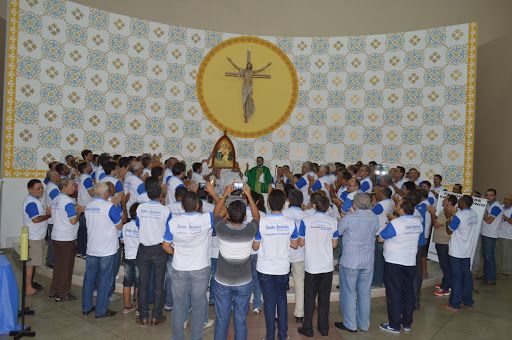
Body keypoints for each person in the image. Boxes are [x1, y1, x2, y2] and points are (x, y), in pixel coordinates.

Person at [162, 185, 217, 340]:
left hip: (179, 267)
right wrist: (217, 193)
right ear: (199, 206)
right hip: (200, 268)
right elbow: (223, 211)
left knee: (178, 306)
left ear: (182, 206)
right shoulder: (205, 218)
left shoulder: (173, 222)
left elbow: (165, 246)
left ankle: (177, 337)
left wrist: (176, 252)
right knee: (199, 305)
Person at [212, 183, 259, 340]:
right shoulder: (250, 230)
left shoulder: (221, 229)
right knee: (240, 320)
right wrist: (249, 195)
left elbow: (216, 212)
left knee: (222, 321)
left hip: (222, 283)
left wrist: (224, 194)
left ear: (228, 216)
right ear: (245, 217)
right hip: (244, 283)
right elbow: (257, 216)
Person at [254, 189, 299, 340]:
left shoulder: (262, 222)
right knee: (281, 300)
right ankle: (283, 335)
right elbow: (295, 244)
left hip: (265, 268)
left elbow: (255, 246)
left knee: (268, 302)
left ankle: (269, 337)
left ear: (268, 203)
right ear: (284, 204)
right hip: (282, 268)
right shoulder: (290, 223)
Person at [335, 193, 379, 333]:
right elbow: (375, 230)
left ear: (355, 204)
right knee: (365, 293)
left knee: (349, 292)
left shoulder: (350, 218)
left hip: (350, 260)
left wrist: (342, 218)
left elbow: (338, 231)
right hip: (367, 261)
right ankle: (364, 324)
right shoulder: (374, 217)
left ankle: (350, 324)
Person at [378, 199, 422, 335]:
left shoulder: (396, 223)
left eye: (398, 205)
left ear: (402, 210)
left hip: (394, 262)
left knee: (394, 293)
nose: (396, 206)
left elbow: (380, 238)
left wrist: (391, 223)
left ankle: (394, 325)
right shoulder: (417, 222)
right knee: (408, 293)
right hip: (410, 262)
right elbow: (420, 240)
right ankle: (407, 322)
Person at [298, 194, 339, 337]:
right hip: (327, 266)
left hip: (312, 266)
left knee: (309, 298)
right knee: (324, 298)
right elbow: (334, 244)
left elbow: (301, 243)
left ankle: (307, 328)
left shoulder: (306, 221)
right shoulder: (333, 221)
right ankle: (324, 328)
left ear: (314, 205)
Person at [82, 182, 123, 318]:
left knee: (89, 278)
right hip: (107, 249)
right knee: (105, 280)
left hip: (92, 248)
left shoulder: (89, 206)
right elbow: (119, 225)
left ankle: (86, 307)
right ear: (105, 193)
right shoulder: (109, 207)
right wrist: (117, 206)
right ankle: (101, 310)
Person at [135, 177, 170, 326]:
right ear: (161, 195)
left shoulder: (140, 208)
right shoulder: (165, 210)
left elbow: (138, 224)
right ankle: (156, 315)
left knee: (142, 283)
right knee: (158, 283)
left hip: (143, 249)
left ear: (148, 195)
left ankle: (143, 316)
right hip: (159, 249)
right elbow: (169, 231)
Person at [441, 195, 478, 312]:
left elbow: (449, 231)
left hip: (457, 251)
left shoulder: (459, 216)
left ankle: (454, 304)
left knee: (456, 277)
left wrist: (448, 218)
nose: (458, 203)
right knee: (467, 276)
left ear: (463, 203)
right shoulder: (473, 214)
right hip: (467, 251)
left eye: (460, 201)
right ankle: (468, 301)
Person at [49, 178, 83, 302]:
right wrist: (78, 212)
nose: (74, 188)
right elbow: (73, 220)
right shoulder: (68, 202)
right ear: (64, 187)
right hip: (66, 238)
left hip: (57, 236)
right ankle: (63, 293)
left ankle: (55, 290)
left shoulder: (56, 199)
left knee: (58, 265)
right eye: (72, 186)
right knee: (66, 267)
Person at [282, 189, 308, 323]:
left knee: (280, 285)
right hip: (300, 254)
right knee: (299, 283)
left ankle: (278, 313)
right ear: (302, 201)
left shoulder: (284, 214)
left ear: (289, 200)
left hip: (284, 253)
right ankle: (299, 313)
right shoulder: (306, 216)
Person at [23, 179, 51, 294]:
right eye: (37, 188)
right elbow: (35, 219)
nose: (40, 190)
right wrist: (48, 215)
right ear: (30, 189)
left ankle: (30, 283)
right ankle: (28, 287)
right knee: (31, 263)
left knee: (33, 262)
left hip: (37, 236)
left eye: (41, 188)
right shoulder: (31, 203)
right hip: (33, 237)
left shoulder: (36, 200)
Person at [432, 194, 457, 296]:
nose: (443, 200)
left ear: (449, 202)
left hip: (443, 242)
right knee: (446, 265)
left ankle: (445, 288)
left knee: (445, 266)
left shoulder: (448, 211)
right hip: (444, 242)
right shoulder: (447, 210)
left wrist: (432, 213)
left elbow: (436, 225)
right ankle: (447, 283)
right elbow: (440, 222)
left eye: (445, 199)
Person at [371, 187, 394, 287]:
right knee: (383, 258)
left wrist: (373, 203)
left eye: (378, 192)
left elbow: (370, 214)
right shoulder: (391, 202)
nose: (376, 194)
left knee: (378, 259)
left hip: (379, 233)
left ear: (383, 193)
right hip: (386, 232)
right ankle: (383, 279)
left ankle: (377, 280)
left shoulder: (381, 204)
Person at [480, 189, 503, 285]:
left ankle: (491, 278)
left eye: (490, 195)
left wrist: (483, 213)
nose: (488, 197)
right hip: (485, 233)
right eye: (487, 195)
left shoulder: (496, 206)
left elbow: (489, 220)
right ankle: (486, 275)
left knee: (489, 257)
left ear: (495, 196)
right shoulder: (488, 205)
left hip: (491, 235)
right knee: (486, 256)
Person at [121, 203, 140, 314]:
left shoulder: (125, 226)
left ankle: (127, 306)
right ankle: (138, 307)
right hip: (139, 258)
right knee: (139, 283)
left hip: (128, 257)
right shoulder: (141, 227)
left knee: (127, 282)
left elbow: (122, 241)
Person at [76, 162, 94, 258]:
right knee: (86, 232)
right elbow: (91, 193)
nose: (91, 167)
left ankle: (79, 251)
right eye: (89, 166)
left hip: (82, 207)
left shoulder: (81, 177)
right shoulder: (87, 178)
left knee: (82, 231)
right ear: (85, 168)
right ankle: (84, 253)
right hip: (86, 208)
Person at [44, 169, 60, 268]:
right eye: (58, 175)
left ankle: (52, 260)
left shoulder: (52, 186)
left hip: (54, 218)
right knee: (53, 241)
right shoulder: (53, 188)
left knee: (54, 240)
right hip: (54, 219)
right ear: (53, 177)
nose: (60, 177)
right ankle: (50, 261)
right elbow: (59, 201)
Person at [497, 194, 512, 276]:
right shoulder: (501, 207)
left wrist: (505, 217)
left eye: (508, 199)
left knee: (507, 254)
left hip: (508, 235)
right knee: (498, 253)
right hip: (498, 234)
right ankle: (499, 270)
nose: (506, 201)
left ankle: (507, 271)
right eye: (505, 199)